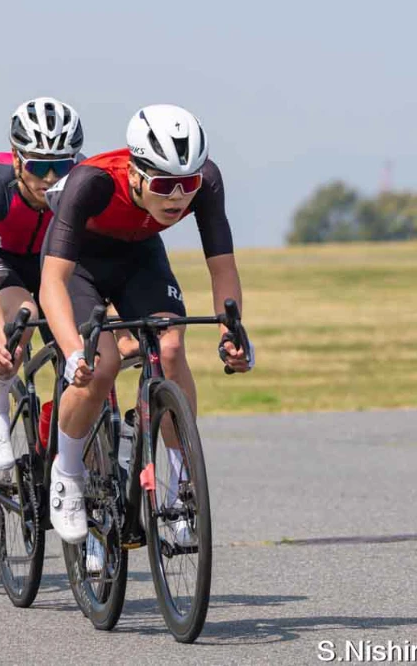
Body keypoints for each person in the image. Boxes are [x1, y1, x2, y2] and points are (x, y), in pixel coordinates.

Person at [40, 104, 253, 544]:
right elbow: (52, 283)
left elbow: (223, 268)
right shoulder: (92, 183)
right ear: (136, 175)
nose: (177, 197)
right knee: (100, 366)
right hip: (80, 264)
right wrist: (74, 352)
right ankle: (68, 471)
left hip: (139, 256)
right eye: (163, 185)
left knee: (170, 347)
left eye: (187, 185)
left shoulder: (207, 181)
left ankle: (178, 486)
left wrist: (230, 332)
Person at [0, 97, 83, 470]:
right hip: (5, 263)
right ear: (17, 159)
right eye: (38, 165)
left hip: (54, 264)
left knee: (86, 345)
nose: (49, 178)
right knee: (23, 318)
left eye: (60, 166)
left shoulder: (82, 183)